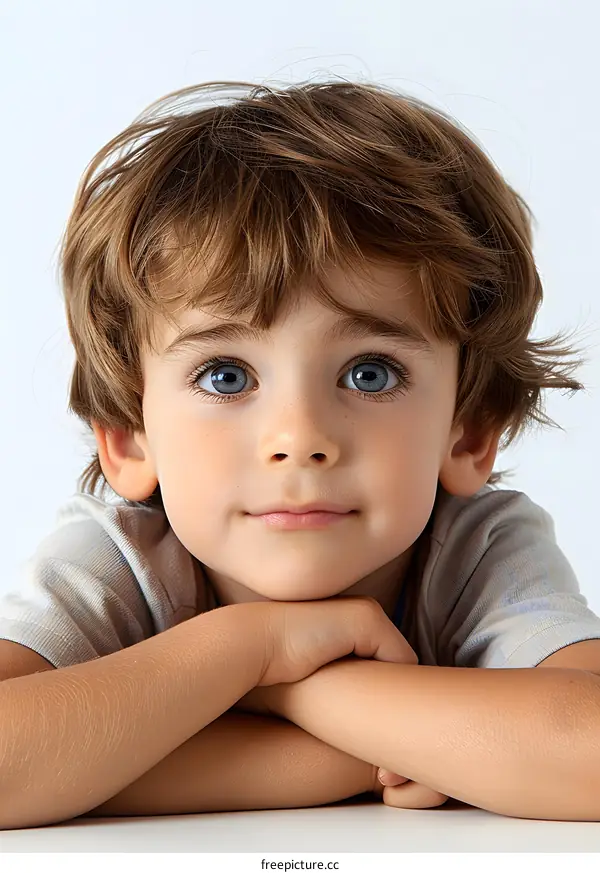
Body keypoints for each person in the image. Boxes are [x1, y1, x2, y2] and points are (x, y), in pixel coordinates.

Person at [1, 78, 600, 830]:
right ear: (128, 438)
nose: (299, 437)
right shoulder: (121, 560)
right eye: (226, 376)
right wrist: (251, 650)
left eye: (369, 373)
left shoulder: (477, 549)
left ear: (469, 431)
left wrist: (287, 687)